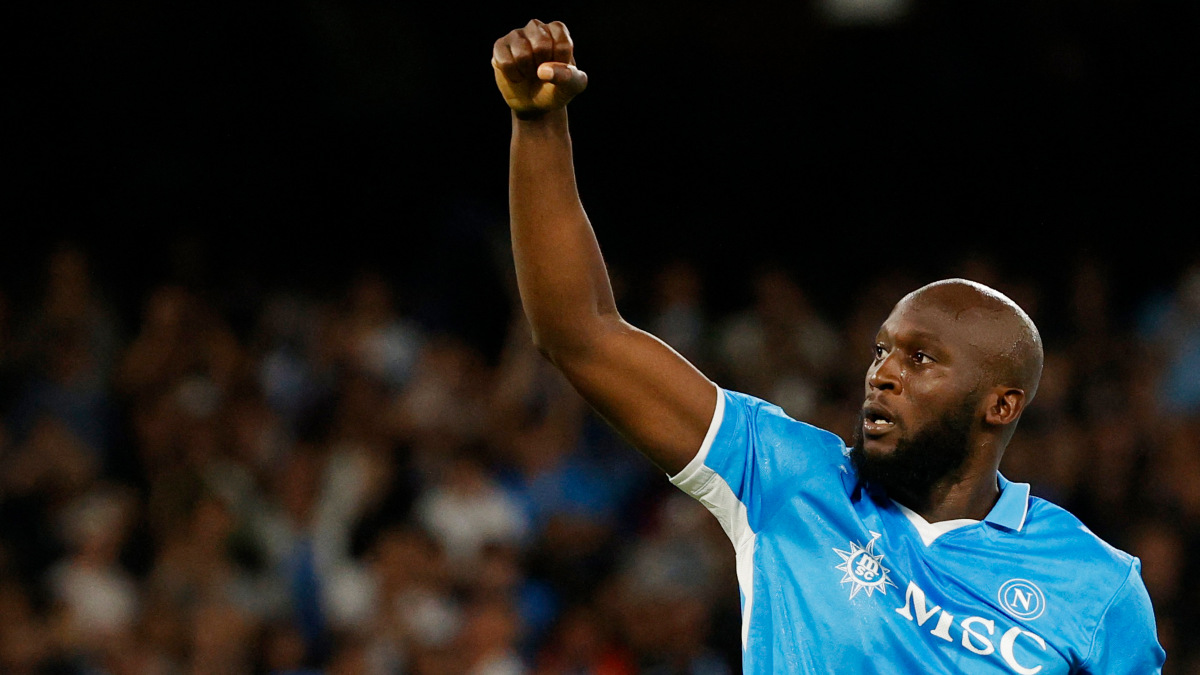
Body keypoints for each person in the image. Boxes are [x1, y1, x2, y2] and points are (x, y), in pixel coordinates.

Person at [490, 19, 1166, 673]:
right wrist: (537, 123)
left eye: (920, 358)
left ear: (1001, 403)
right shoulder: (788, 478)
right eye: (881, 352)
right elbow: (579, 332)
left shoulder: (1097, 586)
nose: (883, 374)